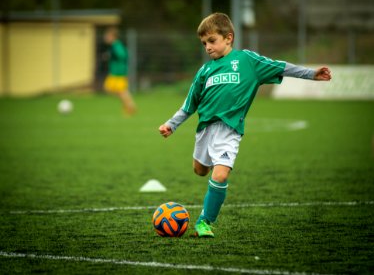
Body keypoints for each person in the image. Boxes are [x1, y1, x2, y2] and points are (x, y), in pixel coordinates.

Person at [158, 12, 332, 238]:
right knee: (200, 170)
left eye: (212, 41)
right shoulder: (204, 71)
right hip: (205, 130)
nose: (207, 47)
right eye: (204, 43)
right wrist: (171, 125)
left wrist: (311, 74)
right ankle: (214, 169)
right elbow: (189, 105)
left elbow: (281, 67)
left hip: (229, 130)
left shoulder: (247, 61)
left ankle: (204, 222)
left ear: (228, 38)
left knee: (219, 176)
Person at [103, 27, 136, 115]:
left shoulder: (116, 45)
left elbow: (123, 55)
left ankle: (130, 106)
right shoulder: (114, 46)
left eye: (107, 36)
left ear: (113, 36)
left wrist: (112, 55)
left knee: (121, 91)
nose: (105, 38)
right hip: (115, 72)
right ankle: (128, 105)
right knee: (111, 89)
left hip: (118, 73)